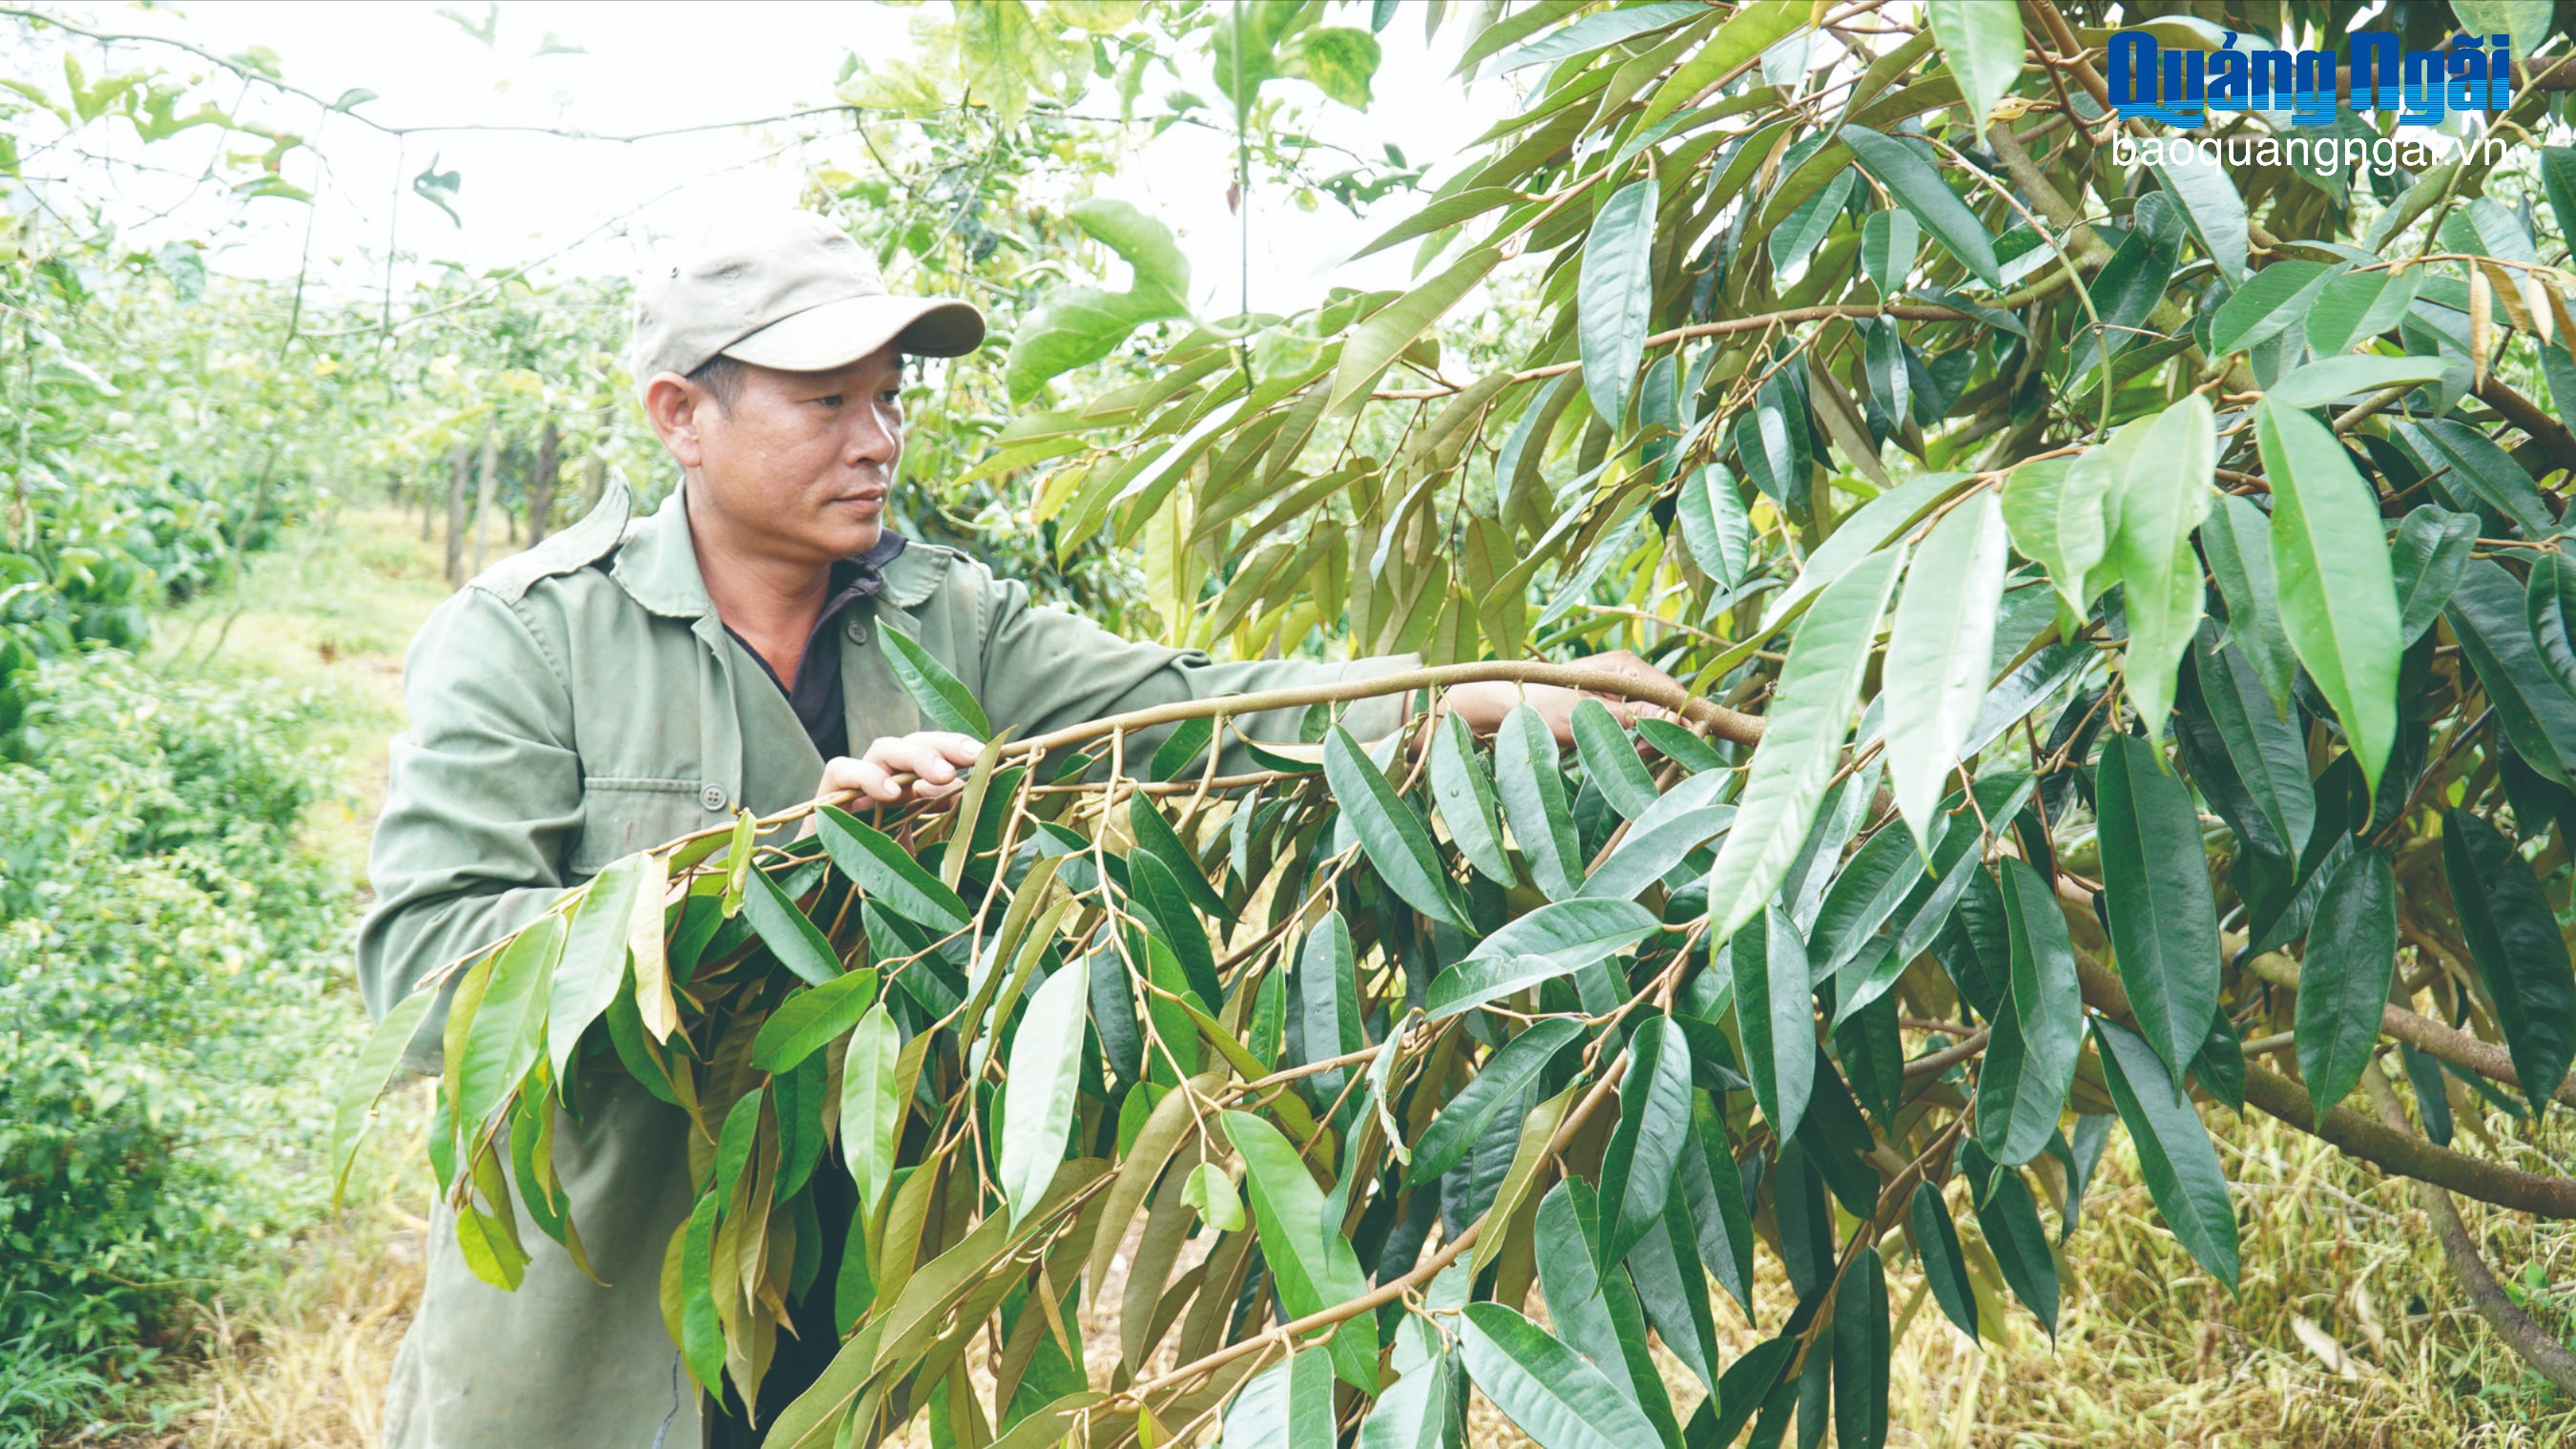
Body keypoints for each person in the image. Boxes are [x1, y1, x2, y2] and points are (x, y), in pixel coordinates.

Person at [357, 210, 1683, 1448]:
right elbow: (426, 969)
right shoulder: (532, 638)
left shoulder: (950, 621)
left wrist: (1502, 699)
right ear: (680, 416)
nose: (878, 440)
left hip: (842, 1305)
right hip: (584, 1327)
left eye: (889, 398)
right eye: (827, 404)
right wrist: (794, 868)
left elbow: (1206, 710)